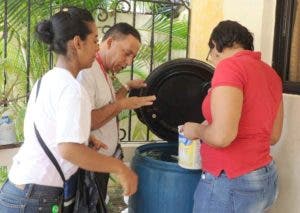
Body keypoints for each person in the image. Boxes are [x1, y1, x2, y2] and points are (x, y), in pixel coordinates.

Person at [0, 7, 137, 213]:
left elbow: (48, 129)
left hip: (20, 191)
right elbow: (68, 150)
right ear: (77, 42)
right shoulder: (72, 89)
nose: (97, 48)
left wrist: (86, 139)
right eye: (94, 40)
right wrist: (120, 168)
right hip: (35, 197)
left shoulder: (48, 80)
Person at [181, 20, 283, 213]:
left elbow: (221, 137)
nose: (211, 60)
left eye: (210, 54)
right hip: (265, 178)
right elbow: (273, 136)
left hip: (230, 182)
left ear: (215, 45)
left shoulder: (229, 67)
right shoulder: (271, 74)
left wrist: (195, 129)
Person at [77, 22, 156, 200]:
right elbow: (88, 121)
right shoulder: (87, 73)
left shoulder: (102, 69)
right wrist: (124, 104)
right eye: (127, 53)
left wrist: (126, 87)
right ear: (110, 42)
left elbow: (108, 106)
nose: (128, 62)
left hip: (100, 167)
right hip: (89, 169)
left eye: (133, 57)